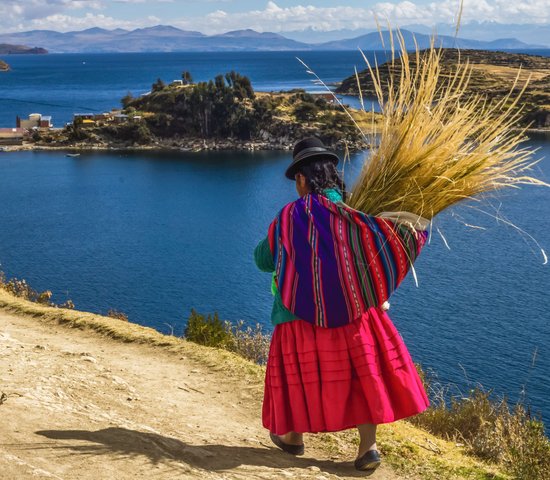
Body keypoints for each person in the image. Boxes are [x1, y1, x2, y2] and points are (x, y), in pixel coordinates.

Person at [254, 137, 430, 473]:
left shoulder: (290, 216)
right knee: (361, 378)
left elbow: (263, 258)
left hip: (296, 314)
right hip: (356, 313)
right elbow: (390, 239)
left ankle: (293, 436)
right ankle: (368, 449)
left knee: (298, 377)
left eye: (297, 181)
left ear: (303, 179)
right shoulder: (358, 213)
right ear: (332, 175)